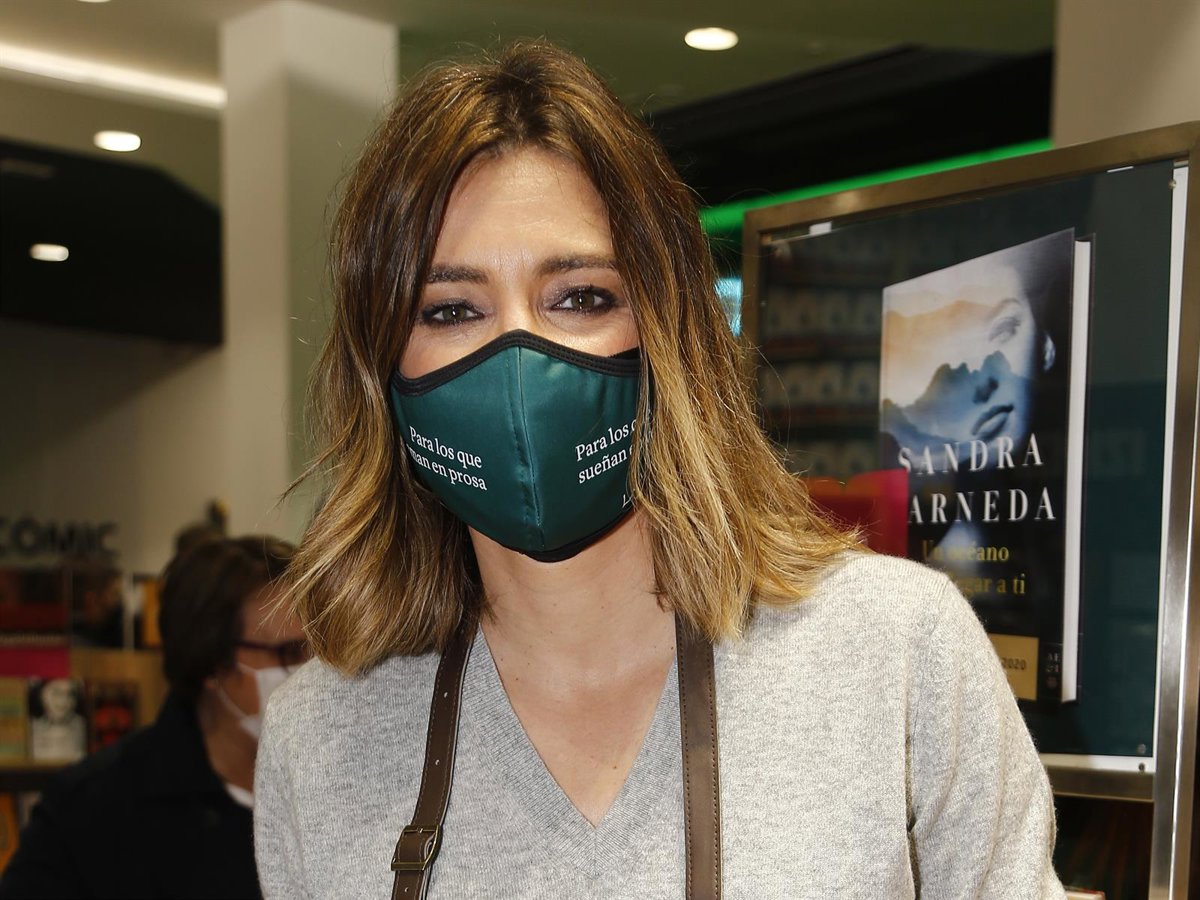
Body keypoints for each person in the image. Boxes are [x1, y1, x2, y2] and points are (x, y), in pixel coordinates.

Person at [255, 42, 1066, 898]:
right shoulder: (321, 738)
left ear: (668, 328)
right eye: (452, 309)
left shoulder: (893, 654)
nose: (520, 357)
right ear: (382, 366)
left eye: (581, 297)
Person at [0, 536, 305, 899]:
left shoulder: (336, 786)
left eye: (322, 649)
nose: (312, 671)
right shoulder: (95, 808)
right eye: (290, 652)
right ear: (212, 661)